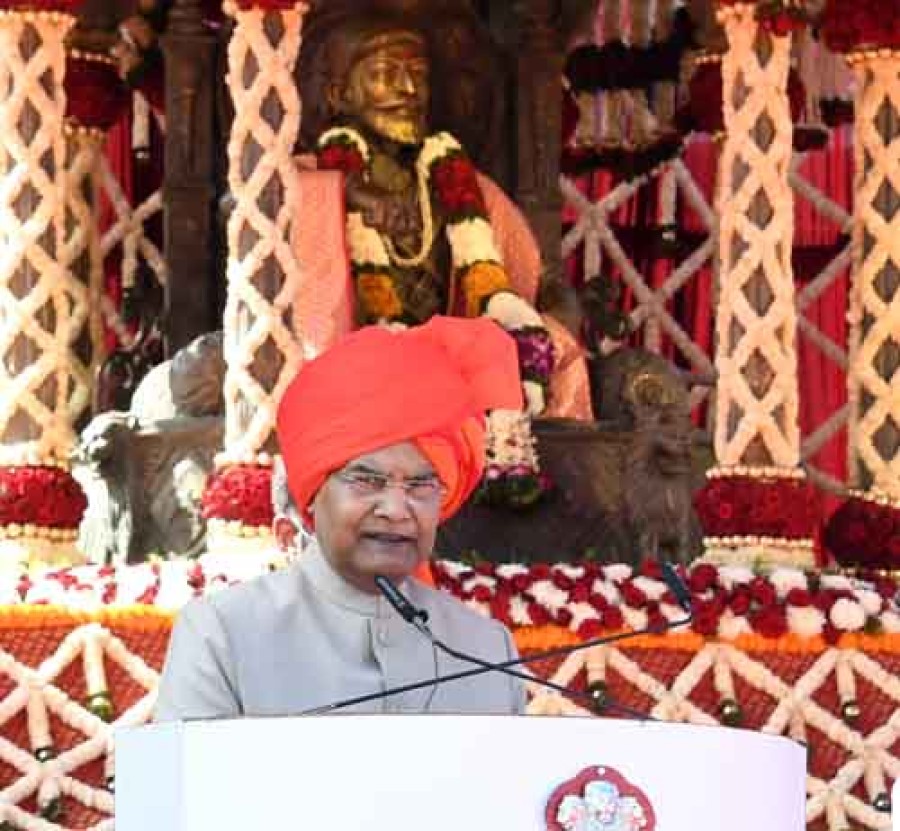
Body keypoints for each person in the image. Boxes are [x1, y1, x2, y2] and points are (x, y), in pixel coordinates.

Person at [154, 316, 528, 719]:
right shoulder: (222, 635)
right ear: (313, 495)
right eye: (367, 481)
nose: (395, 510)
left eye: (421, 485)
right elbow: (186, 764)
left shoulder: (487, 651)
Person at [292, 8, 593, 421]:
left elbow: (535, 286)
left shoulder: (470, 188)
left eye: (419, 74)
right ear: (338, 95)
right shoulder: (307, 181)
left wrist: (556, 317)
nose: (409, 89)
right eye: (385, 73)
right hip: (351, 393)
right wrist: (348, 191)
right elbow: (254, 210)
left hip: (463, 395)